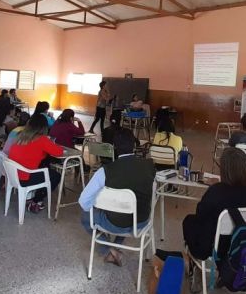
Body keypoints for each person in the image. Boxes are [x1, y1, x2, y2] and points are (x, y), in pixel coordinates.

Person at [79, 129, 156, 266]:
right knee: (127, 210)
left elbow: (84, 201)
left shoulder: (105, 171)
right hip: (141, 222)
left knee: (86, 216)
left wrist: (100, 204)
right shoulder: (149, 165)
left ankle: (109, 249)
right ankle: (115, 248)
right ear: (134, 145)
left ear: (114, 147)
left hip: (115, 224)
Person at [183, 147, 246, 260]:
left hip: (216, 245)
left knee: (189, 221)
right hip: (244, 240)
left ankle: (188, 260)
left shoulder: (217, 191)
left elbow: (200, 213)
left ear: (225, 170)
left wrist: (217, 187)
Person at [8, 114, 63, 213]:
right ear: (44, 127)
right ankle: (36, 201)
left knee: (44, 167)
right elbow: (59, 152)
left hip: (12, 174)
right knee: (55, 176)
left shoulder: (20, 135)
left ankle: (33, 196)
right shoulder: (42, 139)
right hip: (24, 177)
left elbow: (32, 153)